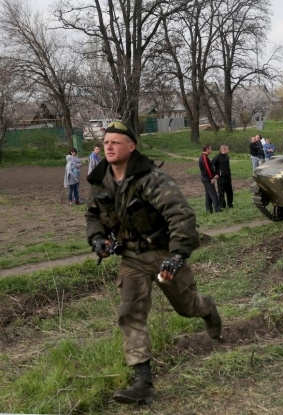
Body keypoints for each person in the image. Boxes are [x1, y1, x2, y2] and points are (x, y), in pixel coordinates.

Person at [85, 120, 222, 405]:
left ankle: (208, 309)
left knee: (187, 307)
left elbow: (180, 215)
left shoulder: (151, 178)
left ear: (131, 147)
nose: (108, 146)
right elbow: (92, 216)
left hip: (163, 253)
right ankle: (143, 381)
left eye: (115, 142)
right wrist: (98, 239)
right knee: (130, 312)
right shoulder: (100, 180)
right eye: (105, 141)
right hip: (131, 257)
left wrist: (177, 255)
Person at [199, 144, 221, 213]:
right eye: (210, 149)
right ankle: (218, 209)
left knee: (208, 195)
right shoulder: (204, 157)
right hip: (207, 178)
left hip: (206, 178)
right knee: (213, 194)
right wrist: (212, 178)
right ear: (207, 149)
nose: (211, 150)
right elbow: (207, 169)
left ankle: (209, 210)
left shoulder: (204, 157)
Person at [212, 144, 233, 209]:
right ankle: (222, 205)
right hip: (221, 178)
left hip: (228, 177)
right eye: (227, 149)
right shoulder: (217, 157)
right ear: (223, 149)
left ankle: (230, 204)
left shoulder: (227, 157)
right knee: (221, 193)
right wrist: (215, 174)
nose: (228, 150)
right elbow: (212, 165)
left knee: (229, 192)